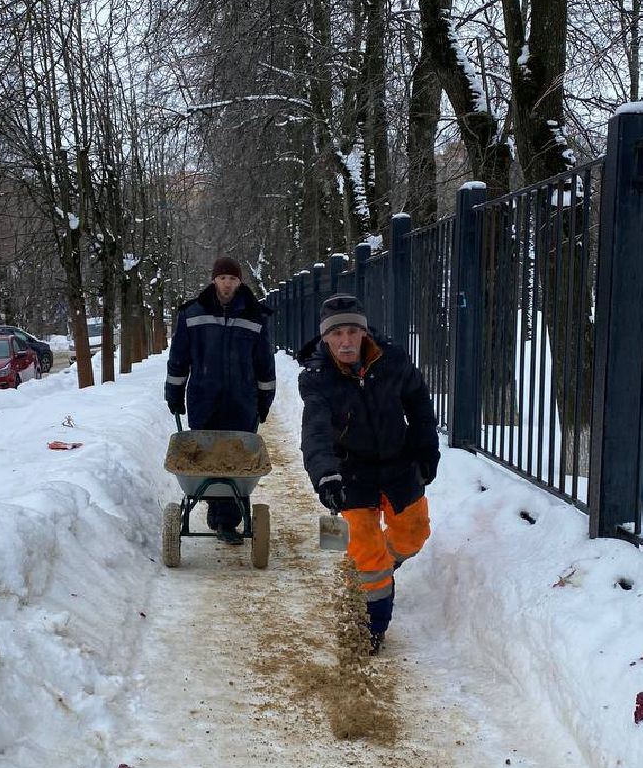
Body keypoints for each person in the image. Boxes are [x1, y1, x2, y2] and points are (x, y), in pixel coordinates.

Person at [298, 293, 439, 652]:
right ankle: (370, 629)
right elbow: (315, 431)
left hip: (399, 465)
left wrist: (425, 449)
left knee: (413, 535)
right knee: (366, 552)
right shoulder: (317, 378)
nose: (345, 341)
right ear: (325, 337)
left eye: (352, 331)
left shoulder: (392, 361)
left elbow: (419, 403)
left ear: (364, 333)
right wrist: (326, 475)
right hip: (351, 473)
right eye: (337, 333)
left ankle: (381, 570)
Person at [164, 255, 277, 544]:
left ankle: (226, 520)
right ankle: (221, 515)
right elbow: (179, 359)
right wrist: (174, 393)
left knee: (237, 460)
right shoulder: (192, 313)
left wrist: (265, 400)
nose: (227, 284)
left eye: (233, 279)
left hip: (242, 400)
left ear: (240, 282)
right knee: (208, 458)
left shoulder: (255, 316)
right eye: (223, 278)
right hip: (204, 398)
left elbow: (264, 364)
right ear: (214, 280)